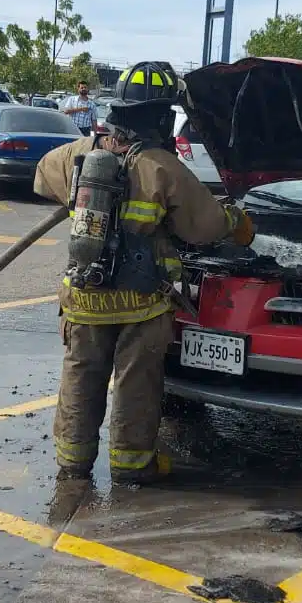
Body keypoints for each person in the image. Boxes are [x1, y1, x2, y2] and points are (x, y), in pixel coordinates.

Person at [34, 61, 255, 485]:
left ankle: (73, 463)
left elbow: (42, 176)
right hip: (141, 304)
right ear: (160, 115)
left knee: (81, 374)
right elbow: (205, 226)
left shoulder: (80, 154)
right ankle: (132, 466)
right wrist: (238, 224)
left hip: (84, 295)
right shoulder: (160, 167)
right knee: (137, 386)